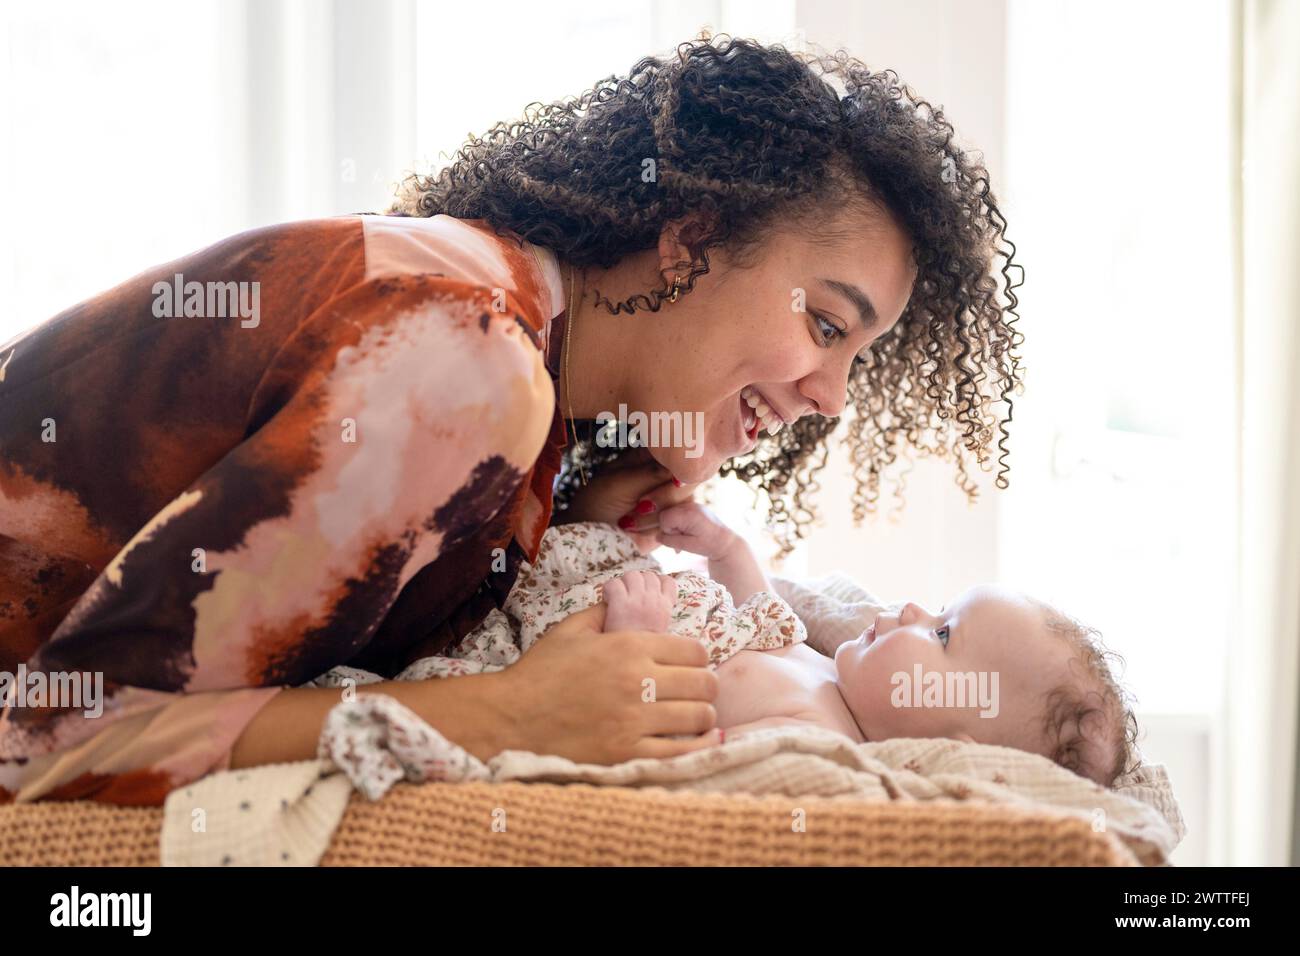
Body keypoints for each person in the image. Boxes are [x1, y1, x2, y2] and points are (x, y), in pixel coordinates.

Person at [0, 36, 1023, 804]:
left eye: (856, 357)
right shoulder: (468, 360)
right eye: (824, 322)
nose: (831, 397)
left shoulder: (525, 379)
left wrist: (577, 506)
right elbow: (50, 738)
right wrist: (507, 714)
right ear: (689, 241)